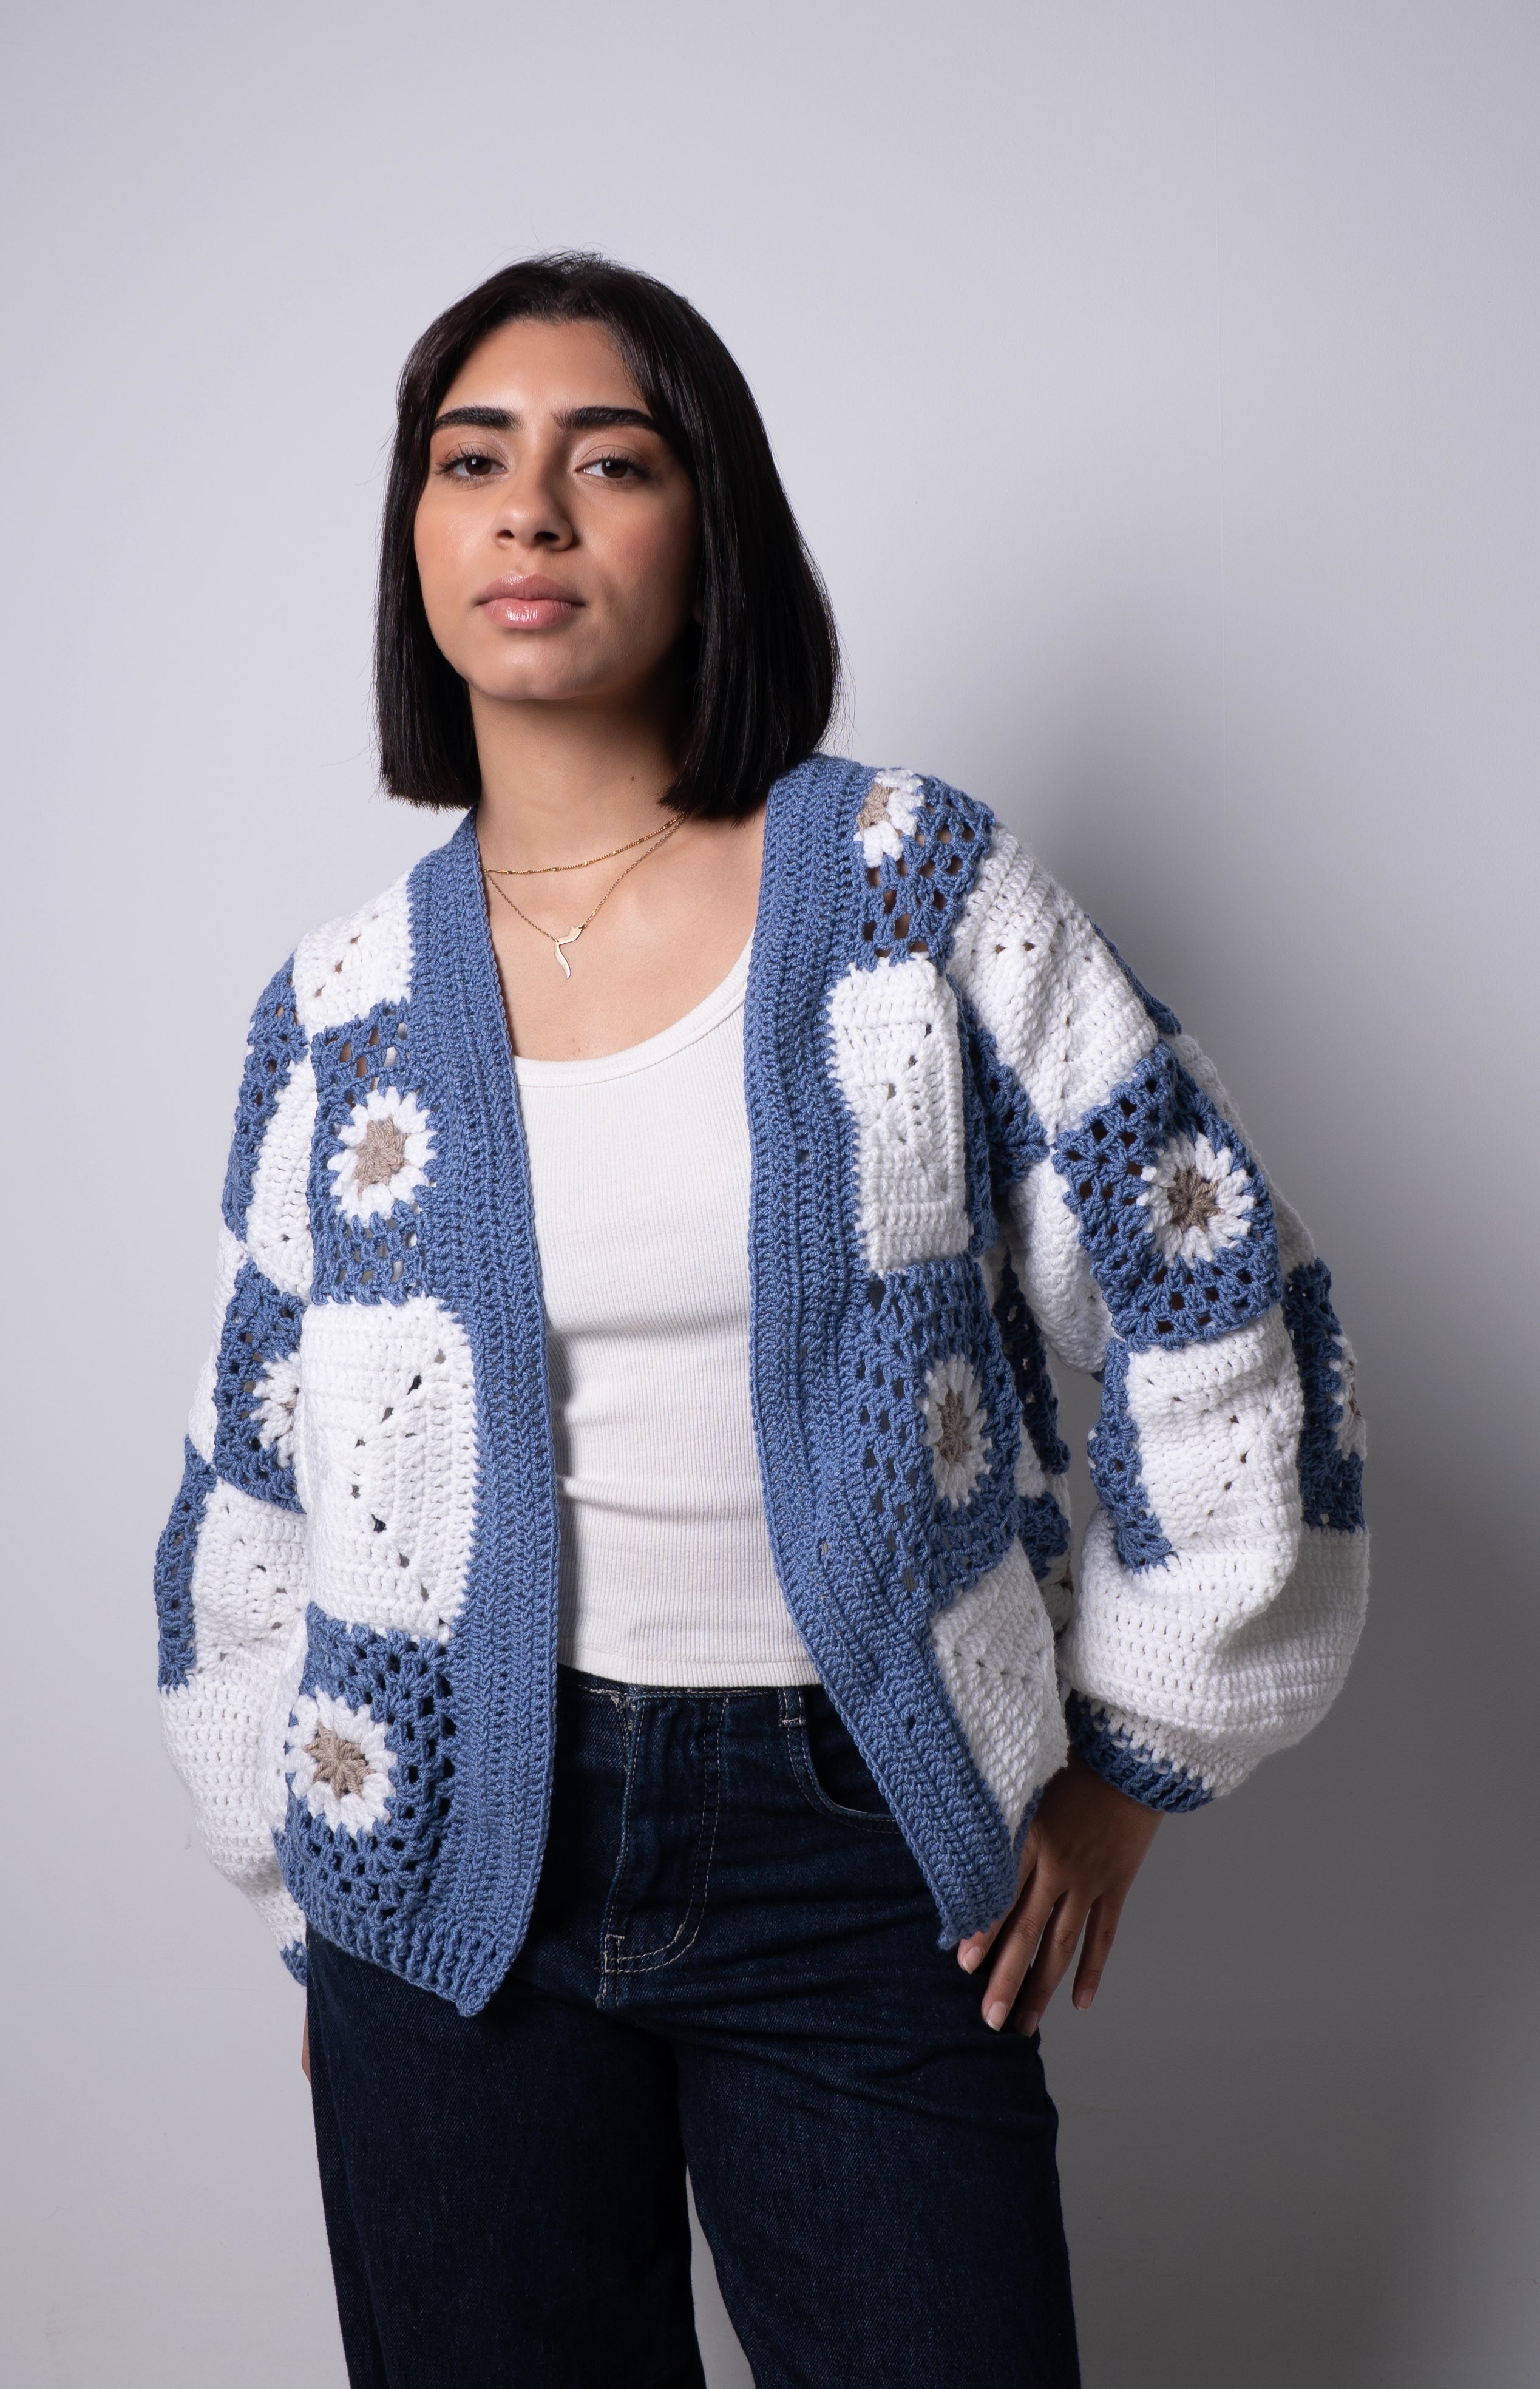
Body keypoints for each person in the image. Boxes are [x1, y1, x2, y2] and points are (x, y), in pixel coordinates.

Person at [154, 254, 1368, 2388]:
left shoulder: (911, 888)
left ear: (710, 529)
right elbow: (254, 1479)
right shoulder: (339, 1012)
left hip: (856, 1837)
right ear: (417, 542)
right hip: (450, 1875)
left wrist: (1133, 1760)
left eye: (607, 461)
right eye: (471, 461)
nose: (529, 512)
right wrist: (314, 1850)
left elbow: (1208, 1280)